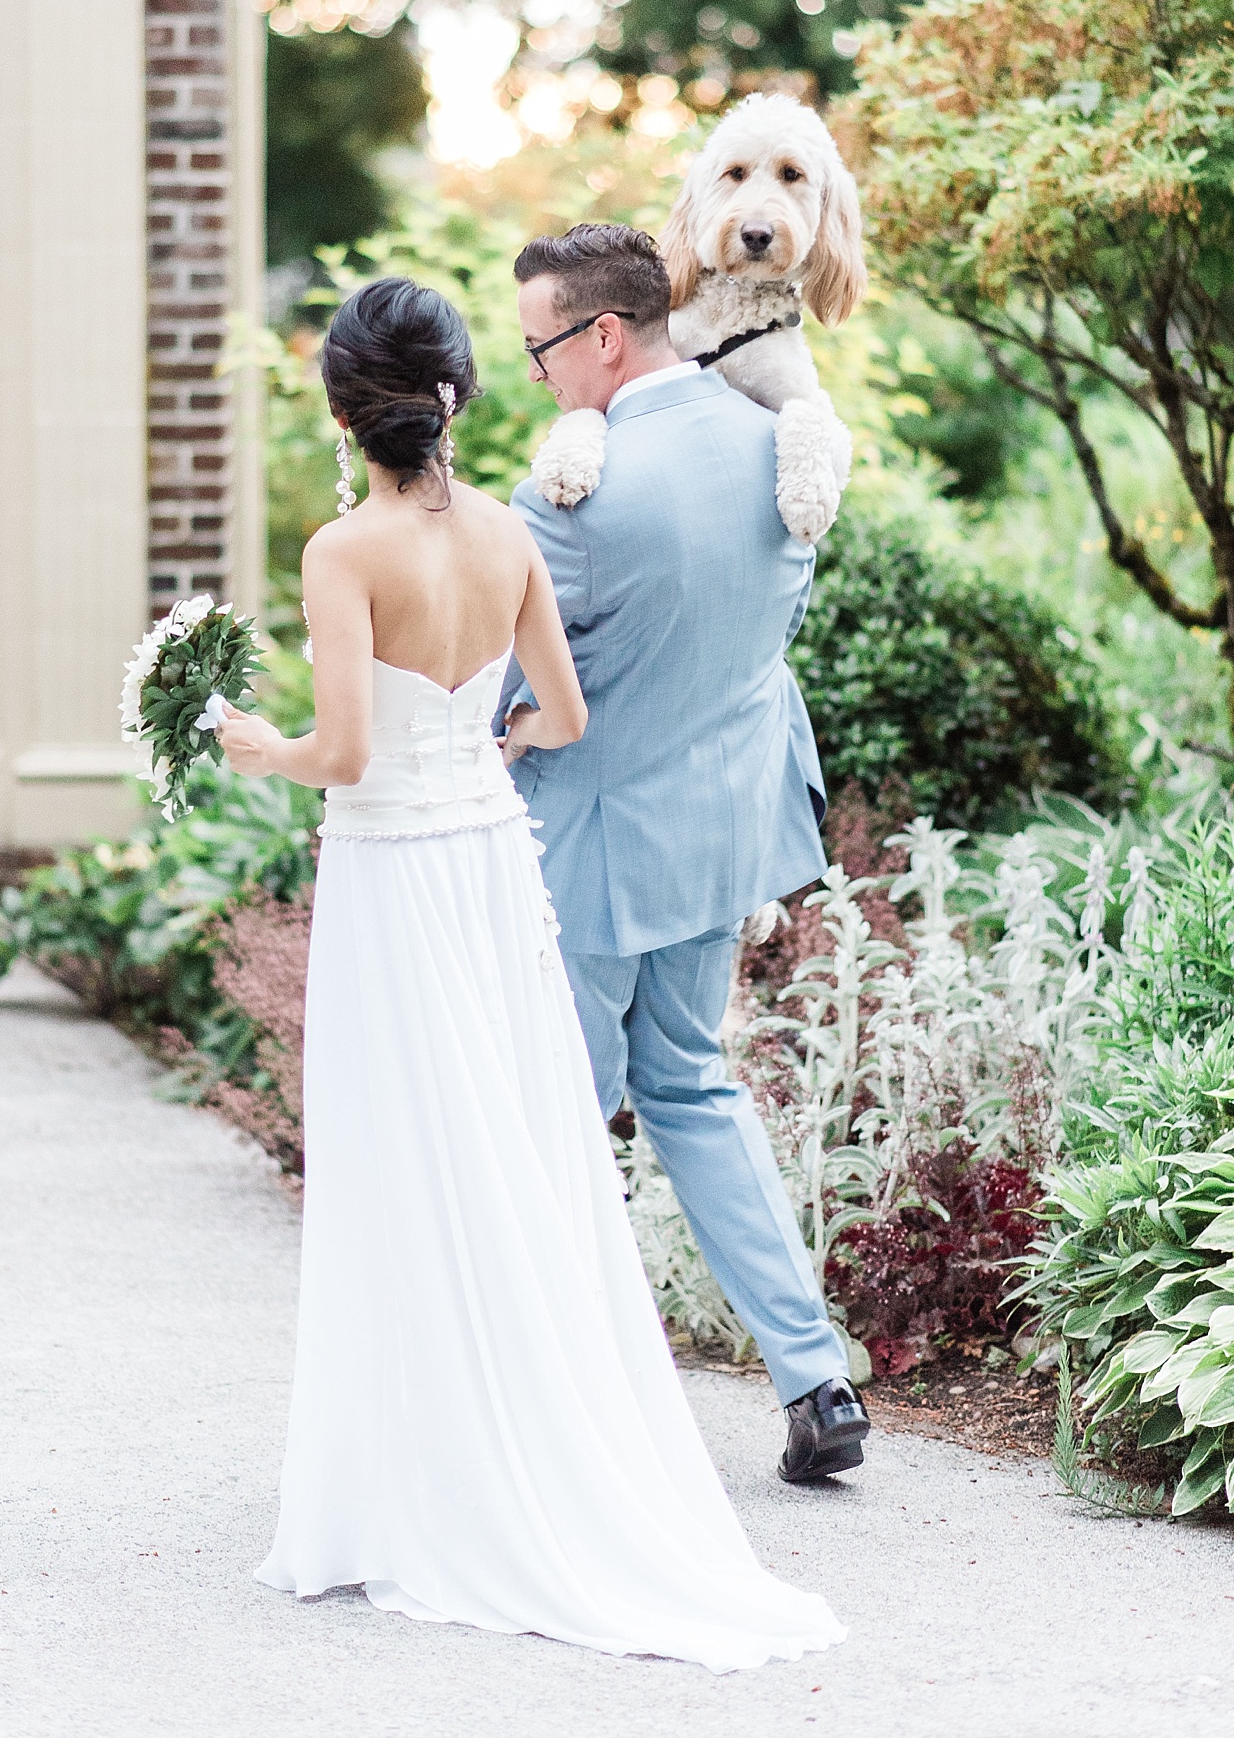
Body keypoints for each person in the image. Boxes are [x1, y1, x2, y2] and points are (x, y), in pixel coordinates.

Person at [216, 275, 842, 1670]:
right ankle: (528, 1429)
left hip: (392, 874)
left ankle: (410, 1467)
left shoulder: (341, 552)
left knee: (404, 1153)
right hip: (495, 867)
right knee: (513, 1141)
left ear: (343, 408)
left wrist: (256, 743)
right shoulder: (507, 532)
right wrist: (486, 752)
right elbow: (557, 711)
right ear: (452, 399)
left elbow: (343, 755)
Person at [498, 224, 870, 1486]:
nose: (535, 371)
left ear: (604, 334)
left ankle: (556, 1403)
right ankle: (817, 1377)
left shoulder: (567, 498)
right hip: (725, 832)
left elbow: (514, 701)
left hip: (593, 856)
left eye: (541, 342)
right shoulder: (786, 449)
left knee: (562, 1113)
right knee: (692, 1087)